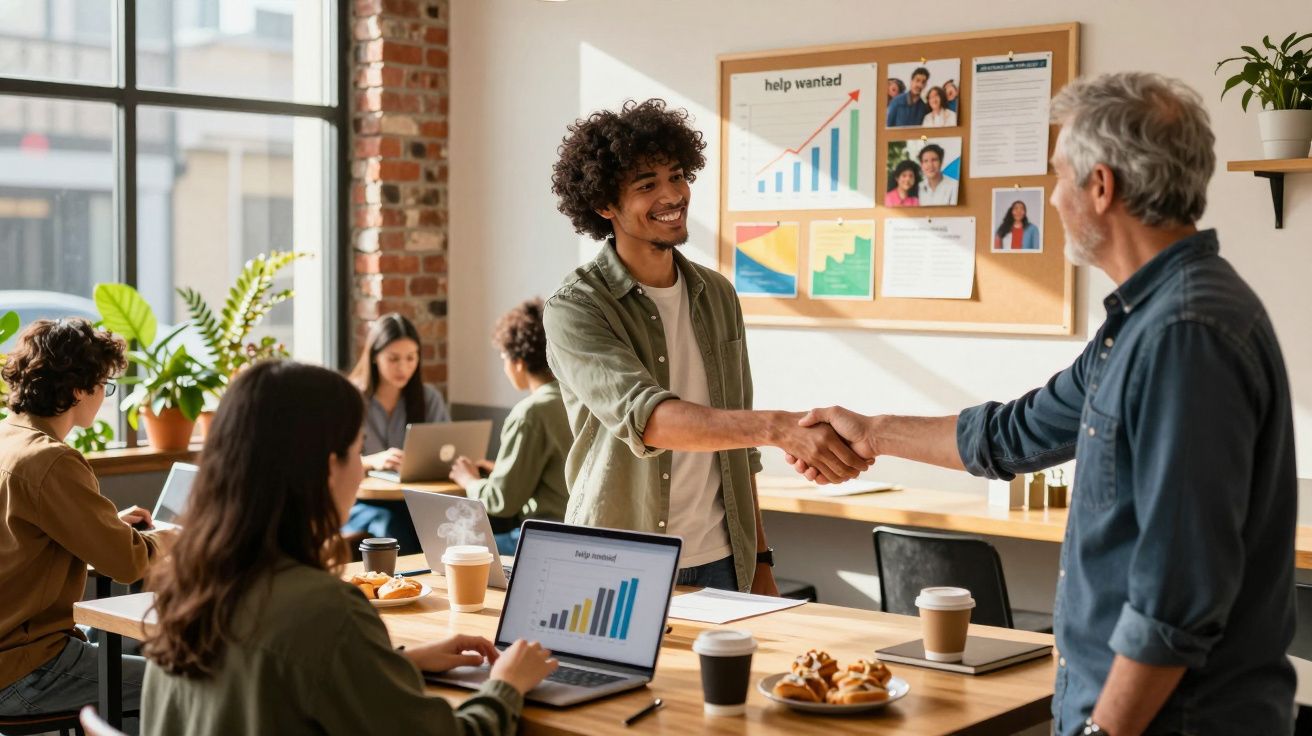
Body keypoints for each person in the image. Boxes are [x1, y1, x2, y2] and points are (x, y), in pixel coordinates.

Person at [790, 72, 1295, 735]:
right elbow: (1015, 432)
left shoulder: (1184, 333)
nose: (1052, 198)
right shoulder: (1141, 323)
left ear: (1101, 186)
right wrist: (873, 432)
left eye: (1058, 176)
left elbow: (1175, 597)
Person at [545, 98, 867, 595]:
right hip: (618, 558)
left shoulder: (716, 293)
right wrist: (781, 428)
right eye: (647, 185)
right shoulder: (576, 307)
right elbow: (650, 420)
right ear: (605, 205)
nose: (672, 195)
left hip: (723, 559)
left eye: (676, 176)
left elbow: (740, 447)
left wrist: (760, 560)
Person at [140, 361, 557, 735]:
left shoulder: (189, 587)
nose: (360, 471)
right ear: (328, 468)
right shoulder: (327, 610)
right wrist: (506, 685)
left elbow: (291, 682)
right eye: (358, 451)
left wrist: (394, 664)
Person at [0, 319, 170, 731]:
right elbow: (128, 563)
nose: (104, 395)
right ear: (78, 389)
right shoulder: (51, 460)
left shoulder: (9, 440)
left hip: (11, 654)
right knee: (192, 681)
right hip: (25, 670)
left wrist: (104, 525)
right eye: (104, 385)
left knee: (136, 646)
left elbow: (25, 537)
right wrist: (176, 539)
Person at [450, 299, 571, 557]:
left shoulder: (530, 413)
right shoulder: (575, 400)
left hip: (541, 540)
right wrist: (501, 470)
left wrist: (469, 480)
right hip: (578, 531)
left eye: (504, 358)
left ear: (518, 362)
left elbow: (501, 501)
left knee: (453, 545)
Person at [344, 312, 450, 550]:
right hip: (359, 502)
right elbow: (329, 463)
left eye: (411, 358)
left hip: (414, 500)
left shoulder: (428, 398)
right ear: (375, 356)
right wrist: (372, 461)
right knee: (394, 526)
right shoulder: (351, 398)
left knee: (442, 527)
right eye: (393, 359)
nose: (403, 367)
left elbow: (444, 454)